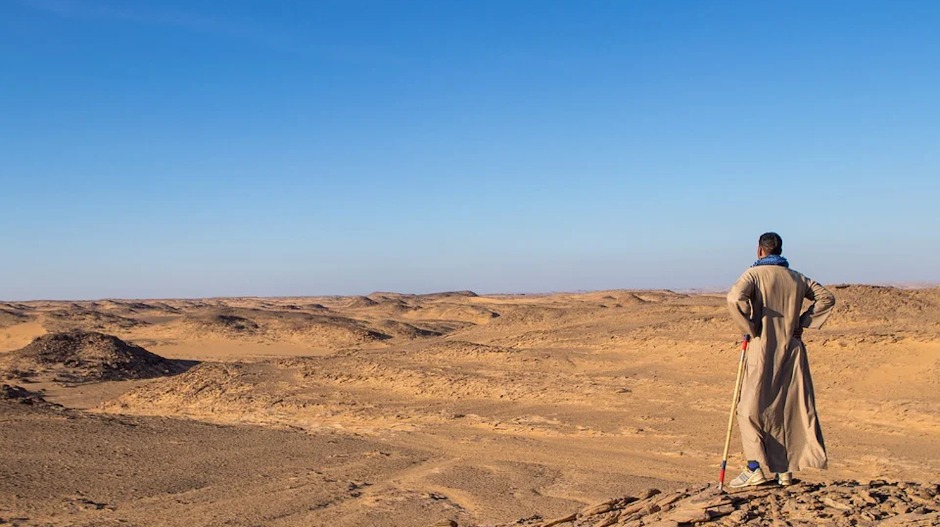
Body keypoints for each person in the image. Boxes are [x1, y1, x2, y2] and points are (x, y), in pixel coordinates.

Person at [726, 232, 836, 487]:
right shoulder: (797, 277)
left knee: (748, 409)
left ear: (759, 250)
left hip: (763, 347)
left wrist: (751, 327)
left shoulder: (753, 275)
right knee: (787, 408)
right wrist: (802, 322)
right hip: (792, 349)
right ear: (780, 250)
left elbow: (734, 298)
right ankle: (783, 470)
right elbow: (827, 297)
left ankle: (754, 466)